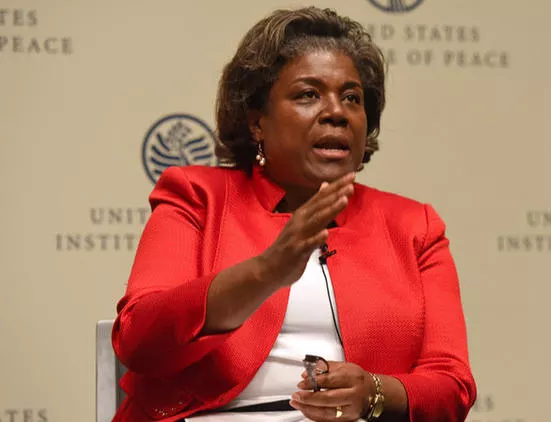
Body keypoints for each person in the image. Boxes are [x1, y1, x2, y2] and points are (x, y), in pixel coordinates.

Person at [111, 6, 476, 422]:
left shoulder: (413, 226)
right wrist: (266, 271)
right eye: (308, 94)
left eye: (352, 98)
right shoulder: (198, 197)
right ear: (257, 123)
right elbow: (138, 341)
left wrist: (373, 392)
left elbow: (452, 384)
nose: (336, 111)